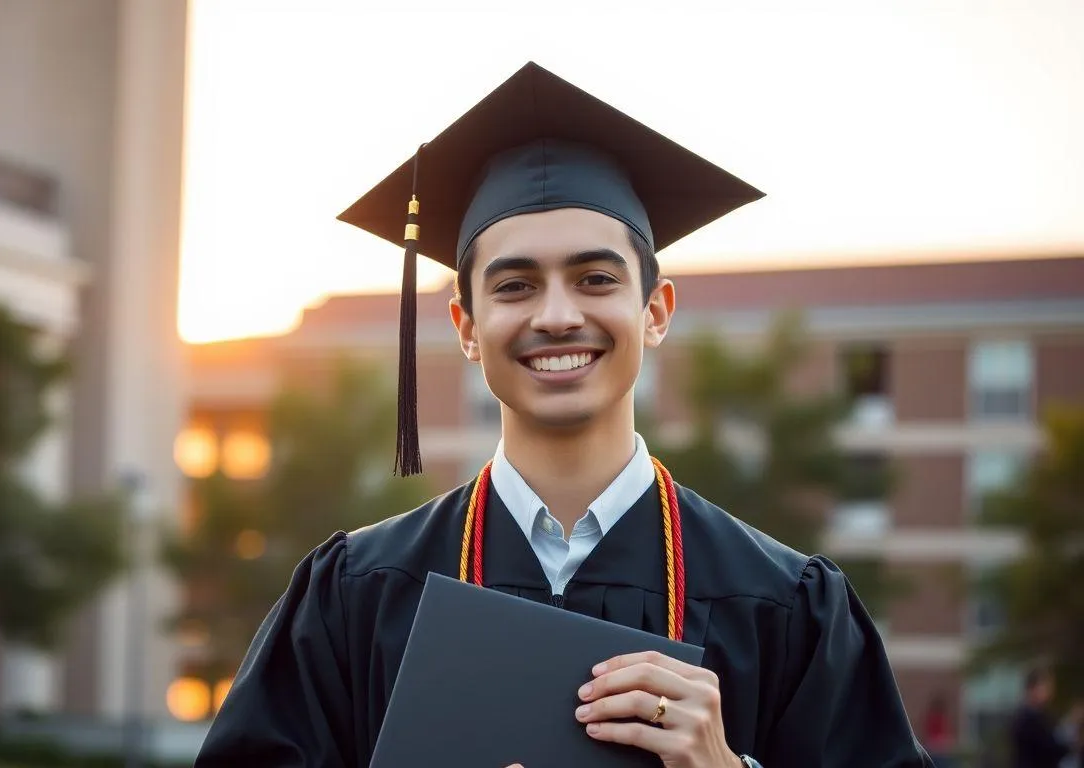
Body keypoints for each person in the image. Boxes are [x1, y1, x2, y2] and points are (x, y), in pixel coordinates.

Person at [195, 62, 933, 767]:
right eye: (514, 286)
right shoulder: (359, 592)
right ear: (466, 326)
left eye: (595, 278)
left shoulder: (785, 604)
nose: (556, 316)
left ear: (655, 310)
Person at [1010, 666, 1075, 768]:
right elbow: (1049, 749)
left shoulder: (1043, 716)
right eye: (1045, 687)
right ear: (1032, 688)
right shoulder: (1026, 720)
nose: (1049, 693)